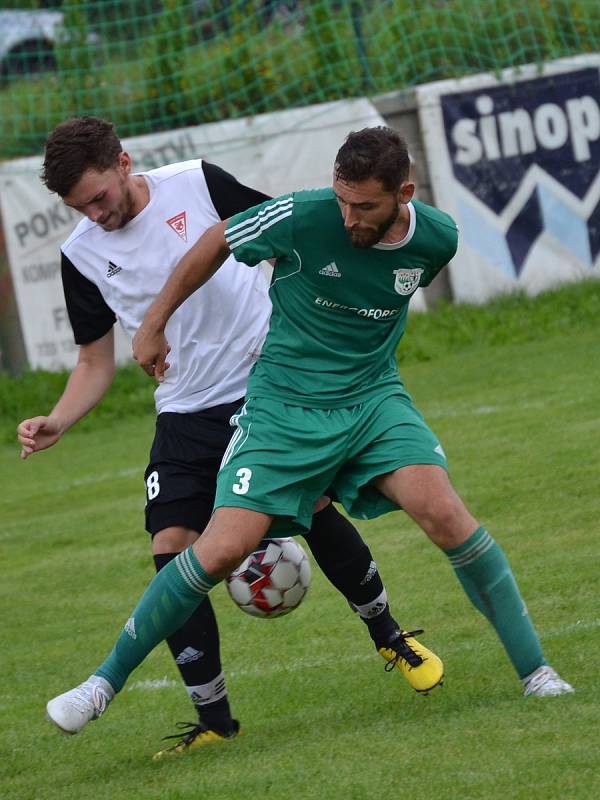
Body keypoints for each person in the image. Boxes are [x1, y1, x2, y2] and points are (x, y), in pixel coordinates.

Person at [45, 125, 574, 741]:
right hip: (282, 408)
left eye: (365, 206)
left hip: (372, 401)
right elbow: (218, 238)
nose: (348, 218)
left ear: (403, 193)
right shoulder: (303, 215)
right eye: (341, 200)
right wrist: (155, 321)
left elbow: (382, 294)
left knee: (446, 515)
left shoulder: (439, 239)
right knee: (217, 550)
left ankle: (537, 672)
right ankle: (101, 685)